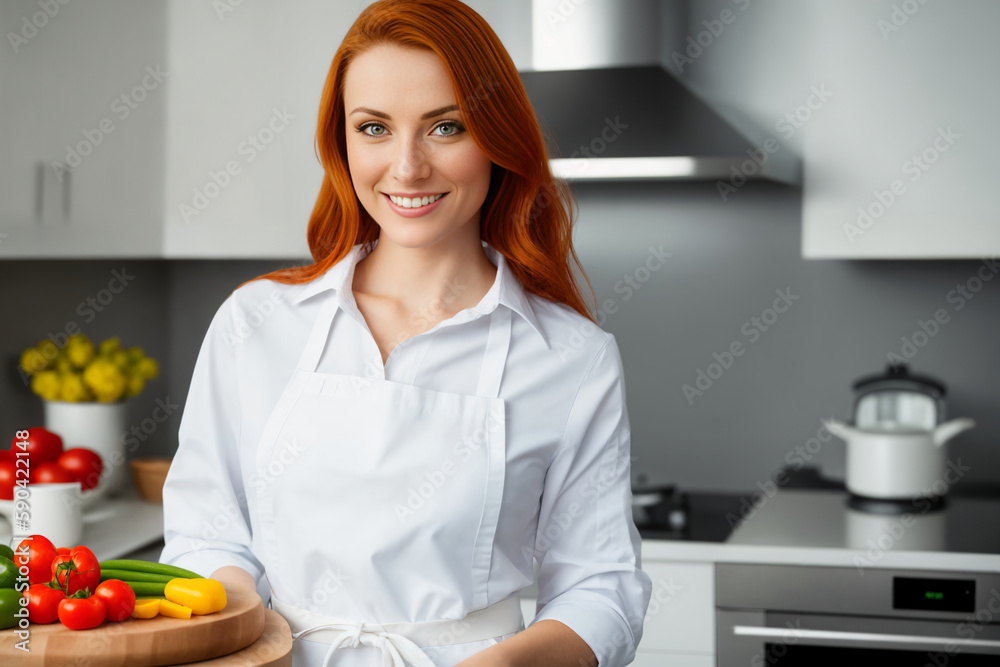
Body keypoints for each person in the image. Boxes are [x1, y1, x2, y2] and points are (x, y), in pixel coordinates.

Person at [160, 1, 652, 665]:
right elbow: (205, 534)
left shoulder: (571, 358)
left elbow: (603, 586)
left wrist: (504, 662)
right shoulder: (256, 324)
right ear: (343, 142)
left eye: (446, 127)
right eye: (374, 128)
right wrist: (241, 627)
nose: (407, 166)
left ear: (497, 138)